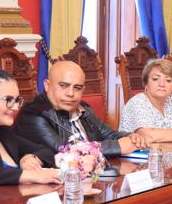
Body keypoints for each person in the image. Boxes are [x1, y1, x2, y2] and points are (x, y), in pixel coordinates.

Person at [15, 60, 153, 158]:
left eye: (77, 88)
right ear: (47, 85)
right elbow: (65, 150)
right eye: (63, 86)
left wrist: (132, 137)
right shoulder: (33, 114)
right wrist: (118, 146)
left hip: (95, 174)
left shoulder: (83, 108)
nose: (71, 93)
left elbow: (110, 135)